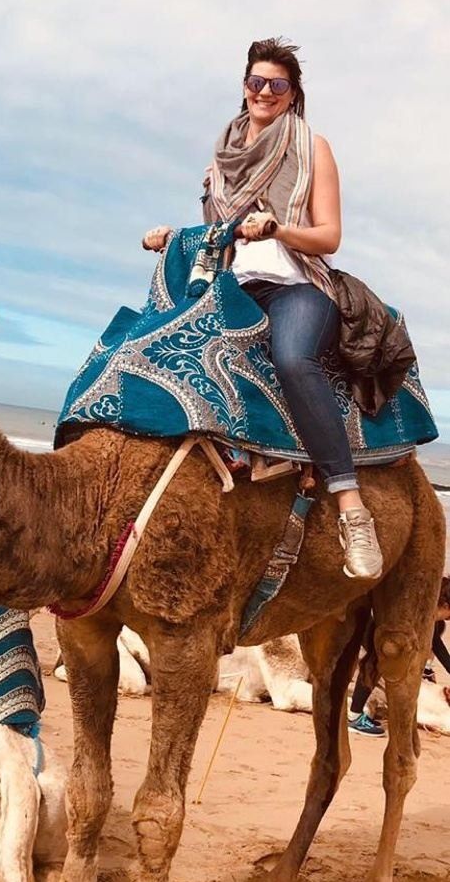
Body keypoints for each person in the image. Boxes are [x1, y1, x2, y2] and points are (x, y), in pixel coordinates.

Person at [143, 37, 382, 580]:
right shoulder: (221, 158)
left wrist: (278, 227)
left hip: (297, 283)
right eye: (256, 82)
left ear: (292, 94)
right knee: (156, 348)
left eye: (277, 85)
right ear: (244, 87)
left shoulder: (312, 146)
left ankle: (350, 507)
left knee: (294, 357)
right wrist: (175, 236)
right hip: (232, 287)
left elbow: (330, 236)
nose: (264, 92)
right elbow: (215, 236)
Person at [348, 576, 450, 737]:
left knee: (381, 661)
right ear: (444, 605)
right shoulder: (416, 610)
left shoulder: (433, 619)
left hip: (379, 622)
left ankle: (355, 714)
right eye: (449, 615)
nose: (447, 620)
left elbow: (437, 645)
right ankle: (354, 717)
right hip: (368, 620)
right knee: (376, 662)